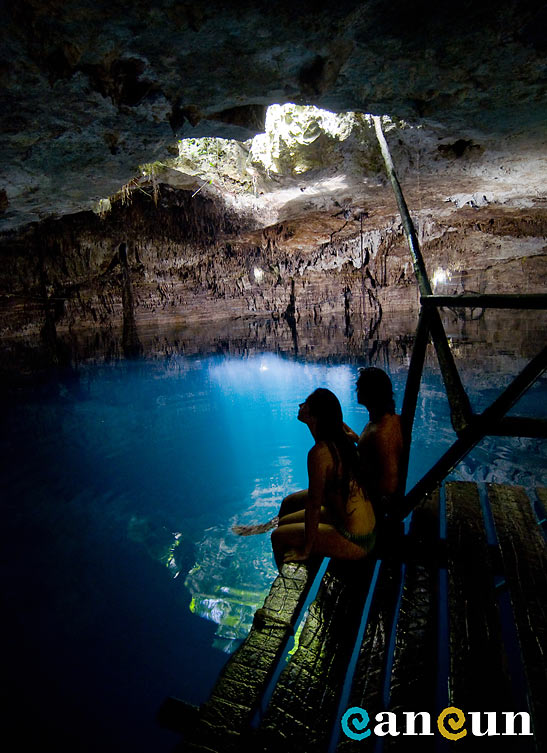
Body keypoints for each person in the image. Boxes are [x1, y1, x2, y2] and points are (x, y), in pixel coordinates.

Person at [270, 388, 376, 571]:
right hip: (361, 527)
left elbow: (313, 506)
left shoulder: (319, 454)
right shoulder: (340, 441)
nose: (300, 406)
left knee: (278, 536)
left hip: (356, 540)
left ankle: (288, 580)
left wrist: (307, 549)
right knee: (285, 521)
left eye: (306, 404)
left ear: (314, 416)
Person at [352, 367, 403, 519]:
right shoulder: (388, 419)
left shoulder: (381, 433)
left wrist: (356, 489)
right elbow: (372, 451)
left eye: (360, 388)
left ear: (371, 393)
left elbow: (388, 486)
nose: (357, 390)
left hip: (368, 506)